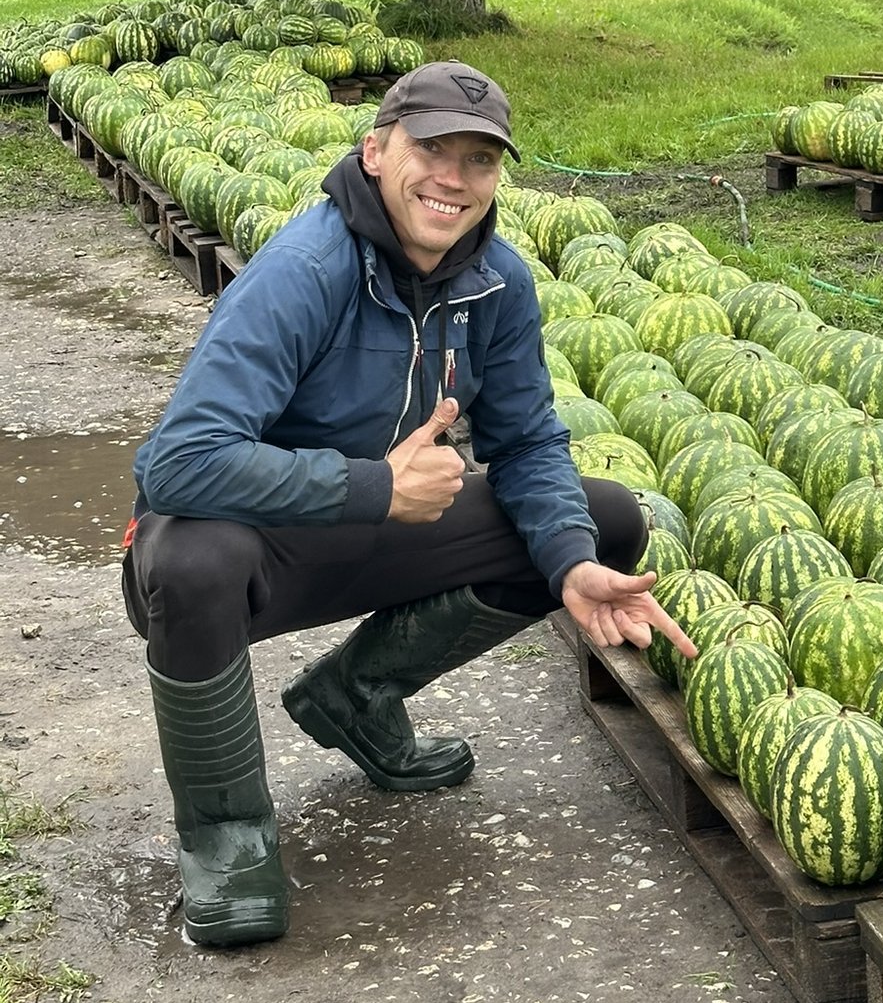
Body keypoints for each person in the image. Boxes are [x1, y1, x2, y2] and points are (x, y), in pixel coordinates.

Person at [123, 60, 695, 948]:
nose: (453, 180)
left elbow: (530, 442)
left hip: (376, 528)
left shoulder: (496, 280)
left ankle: (358, 698)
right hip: (256, 553)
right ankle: (227, 840)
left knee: (604, 521)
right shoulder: (307, 269)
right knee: (193, 556)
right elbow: (179, 465)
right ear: (377, 150)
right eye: (433, 149)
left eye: (479, 160)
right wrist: (376, 486)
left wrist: (573, 564)